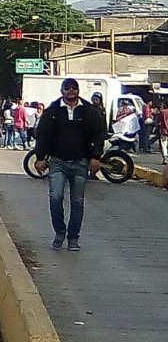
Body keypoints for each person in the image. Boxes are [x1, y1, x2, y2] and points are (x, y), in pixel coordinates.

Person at [34, 78, 105, 251]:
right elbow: (42, 134)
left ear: (78, 90)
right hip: (57, 162)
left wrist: (96, 157)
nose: (71, 91)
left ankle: (73, 238)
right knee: (55, 198)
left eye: (74, 88)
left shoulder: (89, 111)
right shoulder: (52, 111)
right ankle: (59, 232)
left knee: (77, 202)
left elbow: (99, 133)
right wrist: (40, 157)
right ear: (62, 91)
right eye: (67, 88)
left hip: (81, 162)